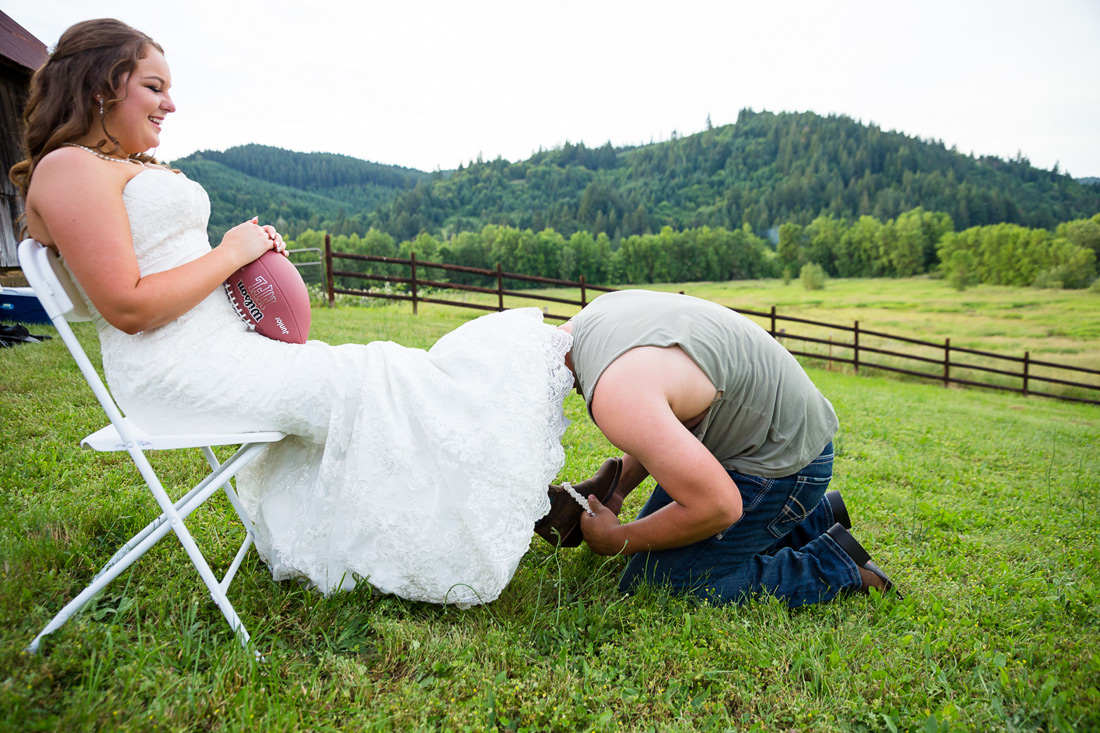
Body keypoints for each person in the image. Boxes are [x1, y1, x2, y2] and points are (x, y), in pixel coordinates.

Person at [12, 19, 575, 608]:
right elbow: (127, 306)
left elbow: (167, 267)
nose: (170, 104)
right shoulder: (69, 168)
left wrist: (246, 264)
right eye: (154, 87)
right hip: (176, 369)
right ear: (103, 85)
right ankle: (546, 487)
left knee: (379, 368)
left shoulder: (120, 165)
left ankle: (539, 495)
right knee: (372, 380)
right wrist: (232, 252)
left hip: (225, 350)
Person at [557, 289, 897, 607]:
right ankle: (815, 517)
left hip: (783, 466)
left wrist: (618, 539)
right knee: (657, 545)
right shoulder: (597, 317)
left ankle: (836, 564)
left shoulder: (613, 393)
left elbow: (719, 506)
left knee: (657, 579)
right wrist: (619, 490)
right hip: (768, 441)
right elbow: (661, 411)